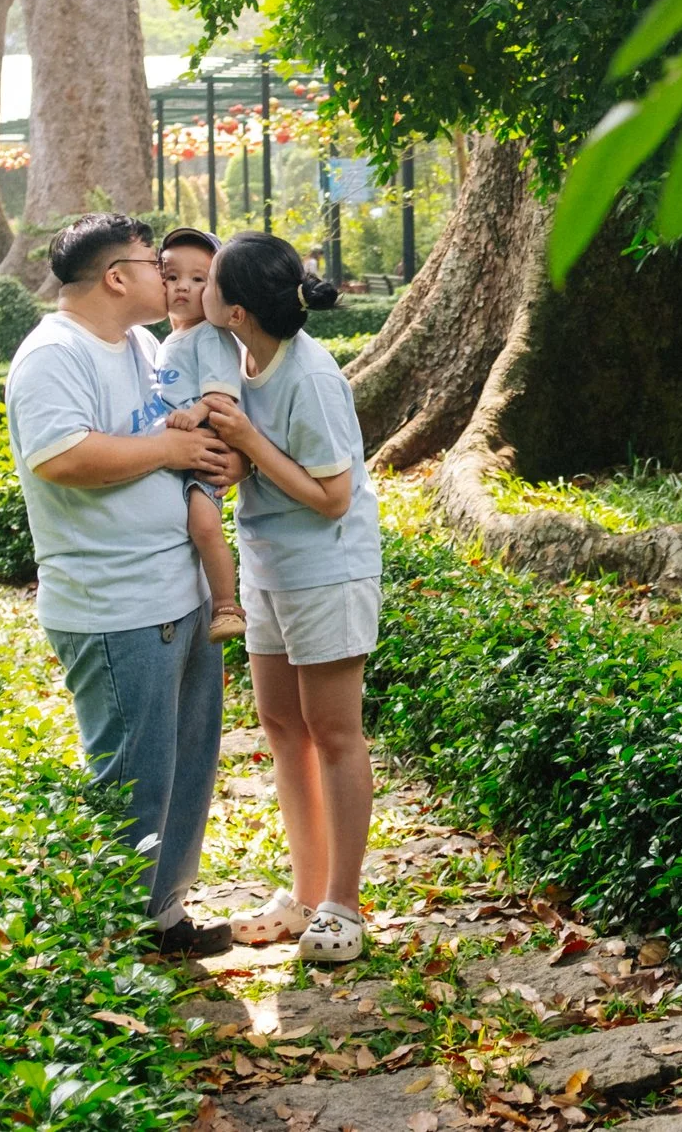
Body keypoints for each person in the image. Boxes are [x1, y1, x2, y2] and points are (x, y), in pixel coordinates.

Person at [3, 212, 243, 957]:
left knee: (184, 765)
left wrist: (208, 456)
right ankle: (112, 944)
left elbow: (172, 431)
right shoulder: (53, 354)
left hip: (180, 589)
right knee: (130, 779)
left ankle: (163, 917)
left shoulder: (139, 344)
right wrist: (169, 445)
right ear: (116, 276)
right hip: (117, 605)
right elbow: (63, 455)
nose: (165, 276)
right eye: (153, 262)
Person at [200, 230, 383, 964]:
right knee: (282, 724)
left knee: (334, 730)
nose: (196, 289)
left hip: (328, 566)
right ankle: (305, 893)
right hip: (269, 564)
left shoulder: (310, 378)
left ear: (237, 309)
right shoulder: (238, 358)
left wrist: (248, 437)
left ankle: (344, 903)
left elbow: (333, 497)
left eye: (207, 281)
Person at [154, 226, 247, 642]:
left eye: (198, 279)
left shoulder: (210, 335)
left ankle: (226, 605)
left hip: (205, 441)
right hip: (178, 444)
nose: (182, 288)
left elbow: (222, 394)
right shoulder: (170, 338)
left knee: (204, 522)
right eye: (171, 277)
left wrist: (195, 413)